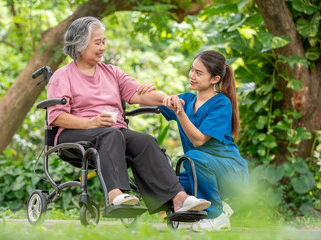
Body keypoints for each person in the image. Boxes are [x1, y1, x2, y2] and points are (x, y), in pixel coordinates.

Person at [47, 16, 211, 215]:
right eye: (97, 42)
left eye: (104, 41)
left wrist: (166, 98)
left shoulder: (112, 72)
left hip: (111, 132)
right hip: (74, 132)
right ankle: (115, 195)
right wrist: (91, 122)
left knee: (146, 141)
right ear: (80, 45)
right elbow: (56, 117)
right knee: (111, 134)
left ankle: (179, 200)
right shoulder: (62, 76)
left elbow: (140, 94)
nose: (103, 47)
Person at [160, 50, 248, 231]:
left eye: (199, 73)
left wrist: (180, 113)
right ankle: (217, 206)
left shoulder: (221, 104)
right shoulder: (186, 99)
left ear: (215, 79)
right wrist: (137, 91)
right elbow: (154, 102)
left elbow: (199, 140)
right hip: (199, 170)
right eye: (192, 70)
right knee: (168, 185)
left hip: (229, 173)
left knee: (194, 156)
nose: (192, 75)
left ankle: (216, 215)